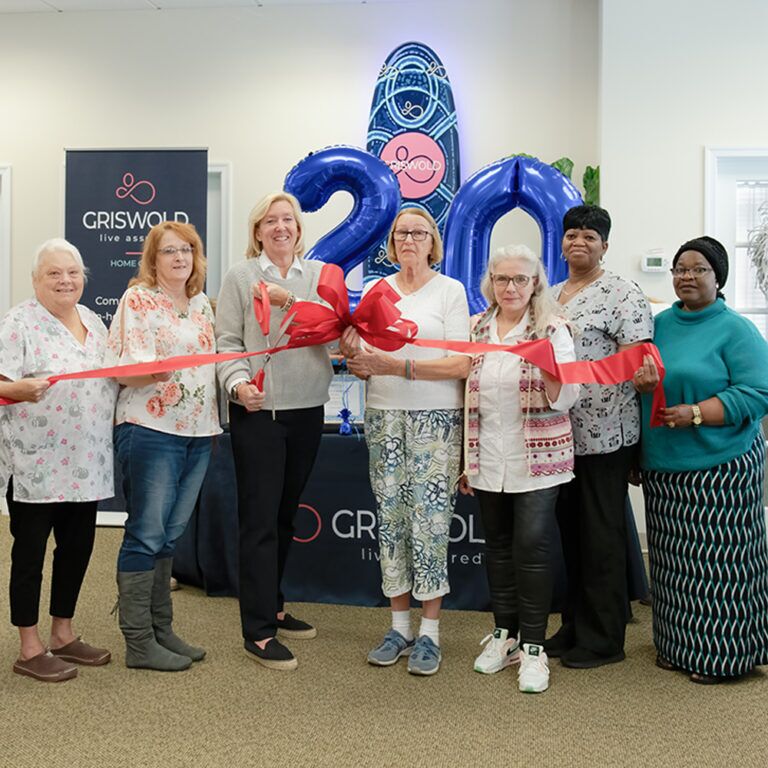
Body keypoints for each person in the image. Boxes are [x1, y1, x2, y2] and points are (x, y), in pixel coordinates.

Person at [341, 208, 470, 676]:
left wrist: (400, 367)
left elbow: (461, 365)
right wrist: (355, 352)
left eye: (419, 232)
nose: (410, 239)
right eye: (401, 233)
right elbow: (358, 355)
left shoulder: (451, 291)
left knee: (431, 522)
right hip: (384, 413)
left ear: (433, 242)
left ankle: (430, 634)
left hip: (436, 416)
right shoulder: (379, 290)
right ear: (392, 244)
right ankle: (399, 627)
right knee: (391, 519)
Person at [634, 236, 768, 684]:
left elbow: (757, 393)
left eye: (698, 269)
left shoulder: (736, 329)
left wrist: (697, 413)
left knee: (721, 567)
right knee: (674, 567)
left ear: (718, 277)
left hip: (721, 466)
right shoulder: (659, 325)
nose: (686, 276)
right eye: (679, 269)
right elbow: (643, 387)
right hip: (665, 466)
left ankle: (725, 658)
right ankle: (676, 646)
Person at [216, 192, 332, 671]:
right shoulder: (241, 277)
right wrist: (238, 385)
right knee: (260, 520)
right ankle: (258, 631)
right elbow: (226, 341)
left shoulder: (321, 277)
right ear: (258, 231)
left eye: (288, 220)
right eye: (270, 221)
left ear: (299, 230)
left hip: (307, 410)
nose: (281, 227)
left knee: (285, 515)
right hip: (258, 413)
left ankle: (275, 604)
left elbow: (329, 325)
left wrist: (295, 301)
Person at [459, 245, 579, 693]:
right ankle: (504, 636)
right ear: (490, 282)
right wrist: (465, 462)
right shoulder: (476, 328)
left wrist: (549, 367)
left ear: (535, 284)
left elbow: (569, 398)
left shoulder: (553, 328)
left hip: (539, 460)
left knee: (531, 547)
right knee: (499, 547)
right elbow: (467, 395)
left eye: (520, 280)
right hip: (488, 455)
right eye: (502, 279)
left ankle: (534, 648)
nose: (510, 287)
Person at [0, 238, 117, 683]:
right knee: (30, 554)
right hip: (35, 464)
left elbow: (109, 377)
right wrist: (17, 390)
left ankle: (64, 634)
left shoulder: (92, 320)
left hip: (86, 461)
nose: (65, 280)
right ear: (36, 280)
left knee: (77, 550)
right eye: (53, 273)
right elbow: (1, 383)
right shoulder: (19, 323)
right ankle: (30, 646)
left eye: (72, 272)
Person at [107, 221, 220, 672]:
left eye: (187, 250)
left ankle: (161, 629)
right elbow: (122, 371)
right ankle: (138, 642)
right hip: (151, 428)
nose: (179, 258)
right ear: (152, 260)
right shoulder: (137, 299)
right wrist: (155, 371)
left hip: (198, 432)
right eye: (168, 251)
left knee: (170, 535)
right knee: (146, 533)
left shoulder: (201, 306)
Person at [547, 205, 653, 668]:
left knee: (601, 534)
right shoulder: (550, 295)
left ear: (604, 246)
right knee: (570, 534)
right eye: (572, 235)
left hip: (606, 435)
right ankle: (573, 624)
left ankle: (604, 638)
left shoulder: (622, 293)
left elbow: (636, 363)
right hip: (557, 436)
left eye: (590, 236)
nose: (579, 243)